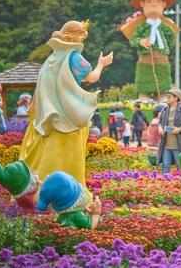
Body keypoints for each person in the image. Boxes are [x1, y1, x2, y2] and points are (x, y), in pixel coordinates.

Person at [19, 20, 113, 185]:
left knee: (47, 153)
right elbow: (91, 78)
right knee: (67, 155)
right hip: (68, 115)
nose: (82, 40)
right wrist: (101, 64)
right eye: (82, 37)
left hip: (48, 116)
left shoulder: (52, 58)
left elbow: (41, 85)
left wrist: (34, 106)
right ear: (75, 37)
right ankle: (69, 190)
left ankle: (39, 187)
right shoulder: (75, 57)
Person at [158, 88, 181, 174]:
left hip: (178, 144)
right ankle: (166, 184)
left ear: (176, 98)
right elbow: (160, 122)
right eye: (167, 96)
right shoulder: (164, 110)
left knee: (180, 166)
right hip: (166, 144)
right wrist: (160, 128)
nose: (167, 98)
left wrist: (179, 129)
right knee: (165, 166)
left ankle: (180, 183)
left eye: (169, 97)